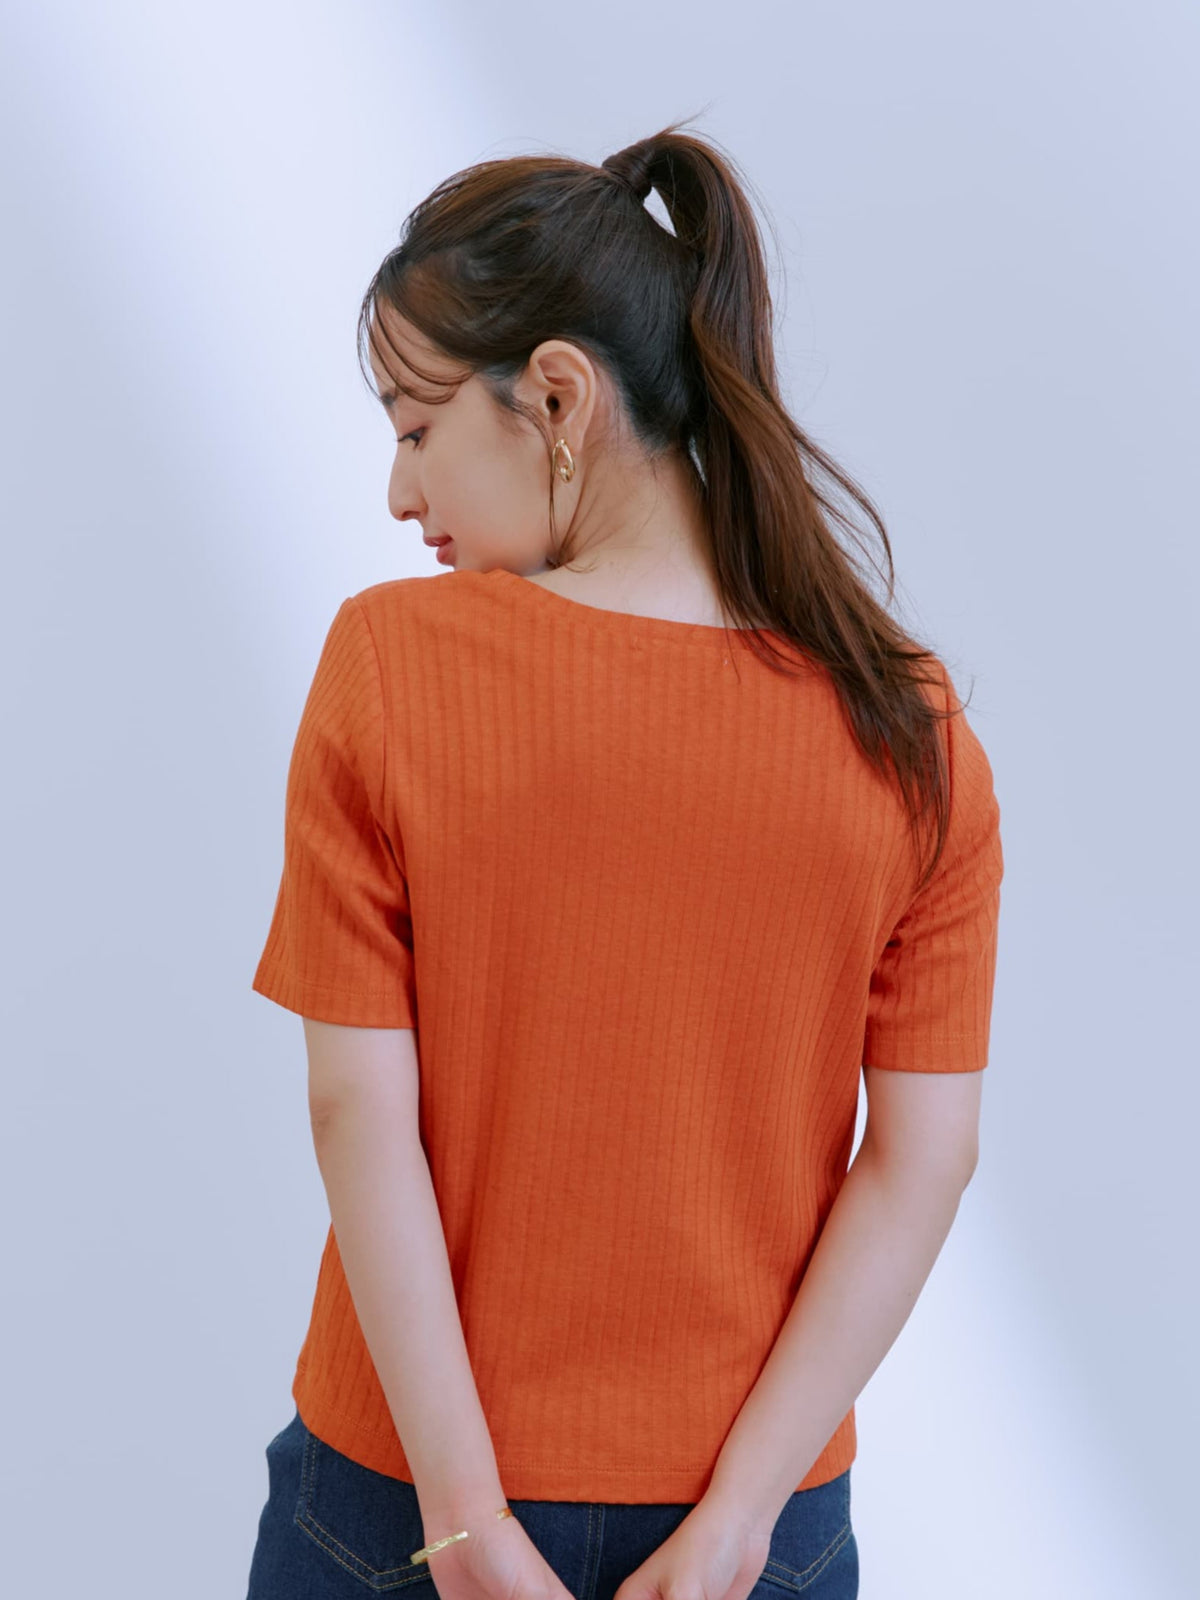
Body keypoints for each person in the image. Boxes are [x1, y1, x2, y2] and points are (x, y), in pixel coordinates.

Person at [244, 118, 1004, 1600]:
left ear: (558, 396)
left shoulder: (393, 663)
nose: (399, 494)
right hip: (754, 1531)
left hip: (398, 1507)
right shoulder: (909, 728)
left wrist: (462, 1521)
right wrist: (738, 1524)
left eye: (415, 431)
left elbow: (355, 1109)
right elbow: (926, 1157)